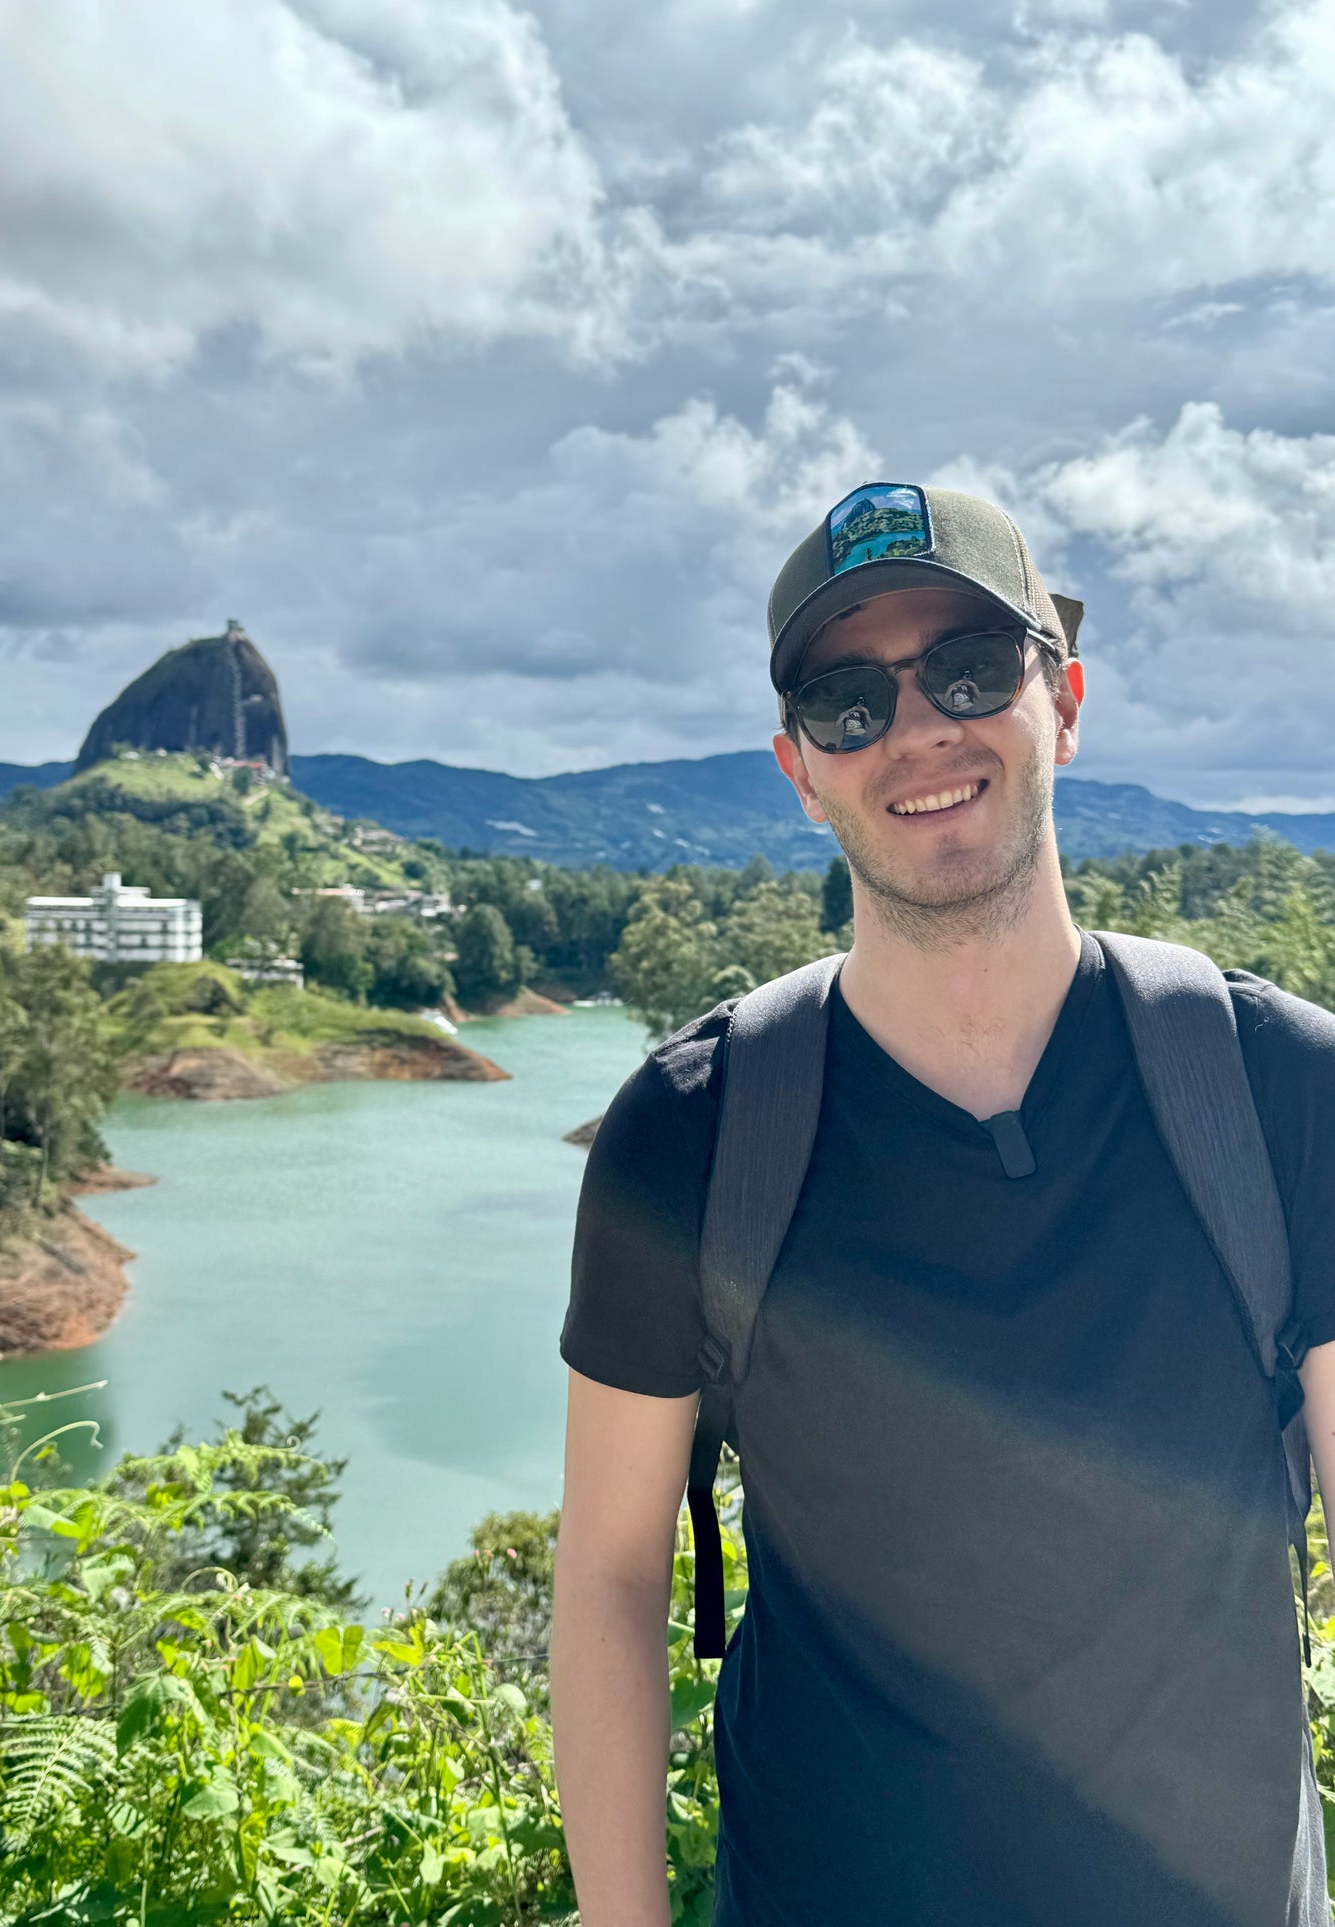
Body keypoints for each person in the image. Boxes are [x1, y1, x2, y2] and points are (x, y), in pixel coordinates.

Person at [549, 481, 1335, 1926]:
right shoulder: (696, 1128)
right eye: (850, 700)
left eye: (970, 670)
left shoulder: (1276, 1086)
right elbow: (606, 1578)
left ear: (1065, 698)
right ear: (799, 766)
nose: (915, 731)